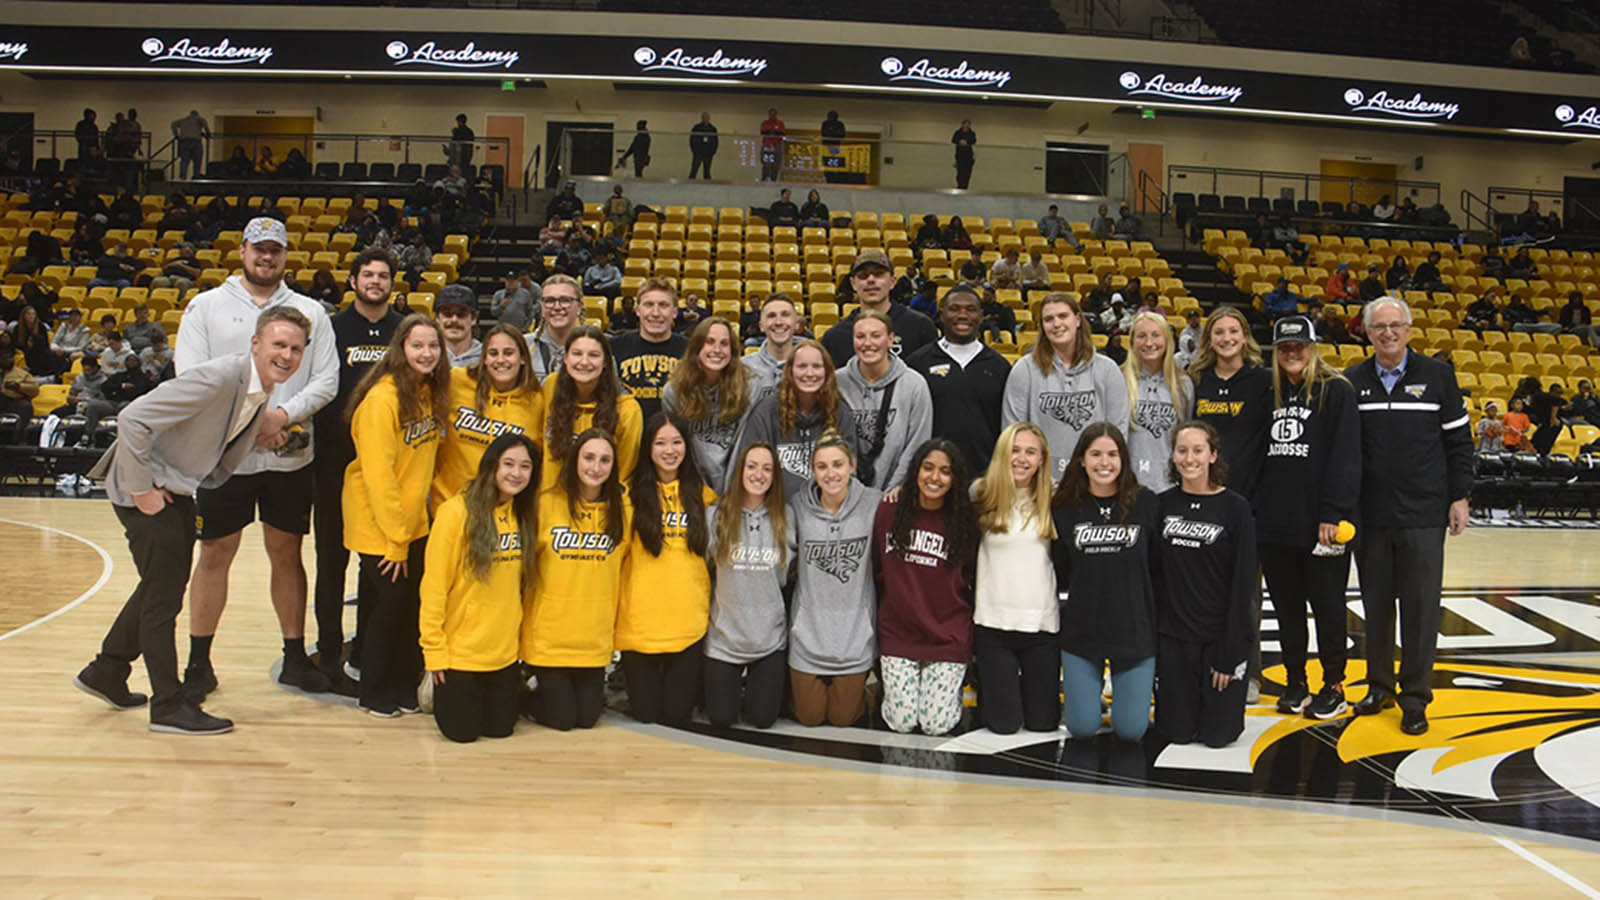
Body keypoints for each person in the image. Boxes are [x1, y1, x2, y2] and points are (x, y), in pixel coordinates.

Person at [72, 307, 311, 736]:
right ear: (256, 344)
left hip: (177, 489)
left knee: (156, 587)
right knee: (163, 600)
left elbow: (214, 436)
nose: (287, 354)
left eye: (295, 348)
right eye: (279, 344)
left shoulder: (257, 391)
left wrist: (263, 435)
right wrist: (143, 490)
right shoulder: (220, 377)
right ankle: (168, 704)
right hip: (145, 489)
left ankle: (106, 670)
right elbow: (133, 419)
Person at [172, 216, 338, 700]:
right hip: (225, 458)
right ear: (242, 250)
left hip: (288, 457)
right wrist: (249, 421)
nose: (266, 257)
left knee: (287, 553)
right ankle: (199, 663)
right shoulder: (206, 307)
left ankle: (293, 657)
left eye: (275, 250)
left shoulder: (310, 311)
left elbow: (325, 379)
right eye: (258, 249)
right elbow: (193, 376)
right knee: (214, 554)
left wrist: (282, 415)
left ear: (287, 256)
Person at [1345, 297, 1473, 736]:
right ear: (1366, 332)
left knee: (1419, 609)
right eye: (1378, 327)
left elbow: (1459, 444)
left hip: (1423, 512)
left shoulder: (1438, 377)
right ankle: (1379, 685)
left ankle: (1415, 697)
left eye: (1395, 325)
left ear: (1409, 328)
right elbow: (1344, 455)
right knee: (1375, 607)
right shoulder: (1351, 381)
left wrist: (1460, 496)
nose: (1387, 333)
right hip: (1371, 515)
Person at [342, 314, 449, 716]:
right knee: (389, 607)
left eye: (433, 346)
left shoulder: (426, 393)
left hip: (411, 521)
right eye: (417, 345)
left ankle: (402, 685)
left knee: (404, 606)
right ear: (400, 349)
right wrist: (396, 541)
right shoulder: (381, 401)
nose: (426, 353)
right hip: (379, 524)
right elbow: (378, 478)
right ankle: (373, 692)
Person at [1255, 315, 1360, 719]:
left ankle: (1333, 684)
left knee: (1329, 607)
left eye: (1299, 347)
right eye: (1284, 348)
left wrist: (1333, 512)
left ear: (1313, 348)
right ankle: (1296, 680)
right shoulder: (1270, 392)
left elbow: (1346, 458)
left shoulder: (1336, 391)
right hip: (1276, 522)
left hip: (1323, 525)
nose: (1292, 353)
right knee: (1286, 609)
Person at [311, 247, 403, 687]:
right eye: (368, 274)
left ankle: (366, 647)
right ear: (352, 281)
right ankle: (328, 649)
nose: (375, 282)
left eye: (383, 275)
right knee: (330, 562)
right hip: (333, 463)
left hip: (384, 470)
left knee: (376, 565)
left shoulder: (404, 331)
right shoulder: (330, 329)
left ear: (393, 284)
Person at [420, 433, 536, 743]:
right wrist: (435, 653)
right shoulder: (455, 512)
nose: (516, 473)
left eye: (525, 467)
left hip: (503, 656)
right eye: (508, 464)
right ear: (492, 466)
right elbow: (433, 587)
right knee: (462, 734)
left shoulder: (522, 515)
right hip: (460, 656)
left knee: (500, 730)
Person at [1051, 423, 1158, 742]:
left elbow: (1157, 568)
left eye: (1112, 454)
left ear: (1123, 459)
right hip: (1083, 631)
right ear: (1081, 460)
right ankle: (1089, 695)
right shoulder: (1064, 508)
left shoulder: (1146, 503)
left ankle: (1123, 701)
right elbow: (1060, 569)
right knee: (1082, 728)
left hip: (1134, 631)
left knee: (1131, 731)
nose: (1104, 462)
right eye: (1095, 454)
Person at [1154, 421, 1258, 747]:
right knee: (1177, 734)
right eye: (1182, 451)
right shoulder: (1161, 505)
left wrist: (1231, 654)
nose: (1189, 458)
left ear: (1213, 455)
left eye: (1198, 450)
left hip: (1218, 639)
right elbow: (1153, 577)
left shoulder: (1236, 508)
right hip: (1174, 641)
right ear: (1173, 457)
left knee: (1218, 737)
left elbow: (1244, 587)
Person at [521, 427, 632, 730]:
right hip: (549, 637)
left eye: (605, 460)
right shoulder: (545, 504)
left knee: (587, 718)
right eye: (589, 458)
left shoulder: (624, 511)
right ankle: (521, 691)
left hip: (592, 639)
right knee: (563, 720)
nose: (596, 467)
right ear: (574, 460)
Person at [873, 439, 977, 735]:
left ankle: (947, 693)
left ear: (955, 478)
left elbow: (971, 578)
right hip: (898, 633)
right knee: (903, 723)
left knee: (935, 726)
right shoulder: (888, 512)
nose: (934, 477)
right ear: (915, 471)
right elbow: (876, 569)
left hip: (947, 636)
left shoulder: (966, 522)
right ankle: (892, 695)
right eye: (928, 468)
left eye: (945, 471)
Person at [616, 413, 715, 725]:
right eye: (660, 443)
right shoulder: (627, 497)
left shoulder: (703, 495)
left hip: (688, 625)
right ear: (648, 447)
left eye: (676, 442)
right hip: (640, 626)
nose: (669, 450)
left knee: (676, 716)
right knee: (646, 715)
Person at [786, 429, 881, 726]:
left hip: (854, 637)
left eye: (838, 464)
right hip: (808, 636)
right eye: (822, 466)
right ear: (812, 471)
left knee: (842, 720)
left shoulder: (875, 504)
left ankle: (868, 691)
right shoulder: (798, 507)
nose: (831, 474)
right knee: (810, 718)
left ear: (852, 466)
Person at [971, 422, 1058, 733]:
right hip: (994, 626)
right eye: (1015, 451)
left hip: (1041, 627)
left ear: (1042, 459)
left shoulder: (1055, 500)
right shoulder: (980, 495)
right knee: (1003, 726)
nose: (1021, 459)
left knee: (1043, 725)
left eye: (1030, 452)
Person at [703, 442, 789, 728]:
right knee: (721, 718)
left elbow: (791, 574)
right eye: (752, 466)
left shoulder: (787, 518)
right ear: (740, 471)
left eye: (767, 469)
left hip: (768, 640)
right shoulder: (716, 515)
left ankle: (756, 690)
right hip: (724, 639)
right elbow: (706, 570)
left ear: (775, 476)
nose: (759, 474)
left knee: (762, 719)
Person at [1002, 292, 1129, 483]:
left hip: (1093, 484)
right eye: (1048, 319)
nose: (1056, 324)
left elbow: (1118, 434)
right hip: (1039, 484)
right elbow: (1013, 432)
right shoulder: (1024, 369)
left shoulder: (1108, 370)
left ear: (1077, 319)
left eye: (1063, 316)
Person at [432, 322, 545, 510]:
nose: (500, 360)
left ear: (523, 358)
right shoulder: (457, 382)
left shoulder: (537, 401)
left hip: (503, 513)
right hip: (448, 505)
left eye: (508, 353)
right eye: (493, 353)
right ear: (483, 358)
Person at [734, 339, 858, 498]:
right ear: (790, 371)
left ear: (827, 371)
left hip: (825, 511)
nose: (809, 373)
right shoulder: (766, 412)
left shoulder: (840, 412)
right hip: (778, 513)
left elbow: (850, 473)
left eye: (817, 366)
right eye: (802, 366)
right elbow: (749, 470)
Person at [906, 285, 1010, 475]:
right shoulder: (917, 363)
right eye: (954, 309)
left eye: (970, 309)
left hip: (984, 477)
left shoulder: (1000, 366)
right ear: (942, 313)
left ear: (981, 315)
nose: (963, 315)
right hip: (931, 476)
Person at [838, 311, 933, 492]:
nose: (867, 343)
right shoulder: (836, 383)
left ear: (890, 340)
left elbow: (917, 445)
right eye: (860, 336)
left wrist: (894, 490)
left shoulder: (915, 385)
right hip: (845, 494)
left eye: (876, 336)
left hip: (896, 495)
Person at [541, 325, 643, 490]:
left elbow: (622, 478)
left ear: (605, 363)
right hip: (548, 504)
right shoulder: (551, 386)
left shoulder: (627, 411)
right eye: (577, 354)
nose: (584, 362)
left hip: (597, 508)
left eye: (594, 355)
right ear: (566, 358)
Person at [1188, 306, 1271, 504]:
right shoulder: (1196, 381)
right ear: (1209, 340)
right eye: (1219, 332)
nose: (1227, 338)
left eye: (1233, 331)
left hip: (1250, 494)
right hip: (1203, 488)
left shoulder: (1264, 381)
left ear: (1245, 337)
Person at [663, 316, 749, 492]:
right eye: (709, 342)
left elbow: (744, 447)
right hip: (692, 488)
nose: (717, 350)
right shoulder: (674, 392)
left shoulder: (747, 390)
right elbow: (676, 447)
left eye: (724, 343)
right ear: (697, 347)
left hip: (736, 489)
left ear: (732, 351)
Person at [820, 249, 939, 367]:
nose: (871, 280)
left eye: (879, 274)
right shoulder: (834, 337)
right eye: (863, 276)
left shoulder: (921, 327)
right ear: (853, 284)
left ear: (893, 281)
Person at [1123, 311, 1193, 493]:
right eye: (1141, 336)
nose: (1149, 343)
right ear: (1131, 342)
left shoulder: (1184, 384)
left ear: (1168, 341)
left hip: (1171, 487)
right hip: (1128, 487)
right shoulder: (1118, 380)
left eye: (1156, 335)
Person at [611, 278, 688, 425]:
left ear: (674, 312)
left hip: (675, 440)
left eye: (663, 305)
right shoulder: (614, 347)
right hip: (627, 434)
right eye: (648, 305)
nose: (655, 313)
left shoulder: (691, 350)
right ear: (638, 310)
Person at [742, 293, 801, 404]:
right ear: (761, 326)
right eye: (771, 316)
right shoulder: (742, 369)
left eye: (785, 315)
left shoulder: (815, 368)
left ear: (796, 324)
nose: (778, 322)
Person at [526, 273, 582, 383]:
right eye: (549, 301)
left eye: (565, 300)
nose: (557, 307)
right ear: (542, 306)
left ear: (579, 306)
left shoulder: (597, 347)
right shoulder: (523, 346)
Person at [432, 284, 481, 368]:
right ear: (437, 318)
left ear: (473, 319)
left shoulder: (488, 358)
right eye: (447, 314)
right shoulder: (427, 357)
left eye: (461, 314)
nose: (454, 320)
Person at [169, 109, 209, 181]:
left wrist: (176, 135)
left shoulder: (183, 120)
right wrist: (207, 134)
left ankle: (183, 177)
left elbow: (173, 124)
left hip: (184, 142)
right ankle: (196, 177)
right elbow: (205, 124)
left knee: (184, 160)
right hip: (195, 142)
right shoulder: (199, 119)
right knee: (197, 161)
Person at [689, 112, 718, 180]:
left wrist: (713, 152)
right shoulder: (696, 127)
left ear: (709, 118)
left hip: (708, 153)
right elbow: (692, 140)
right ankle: (690, 185)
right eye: (704, 117)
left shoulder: (712, 128)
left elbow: (716, 141)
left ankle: (707, 187)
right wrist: (694, 151)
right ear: (702, 118)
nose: (706, 119)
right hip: (698, 152)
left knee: (707, 171)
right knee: (694, 170)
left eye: (707, 117)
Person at [759, 107, 785, 182]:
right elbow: (763, 132)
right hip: (767, 146)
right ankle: (764, 178)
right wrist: (772, 131)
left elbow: (782, 133)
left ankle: (774, 179)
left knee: (775, 165)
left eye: (774, 114)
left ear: (776, 115)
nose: (772, 116)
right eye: (771, 114)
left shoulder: (780, 123)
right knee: (766, 164)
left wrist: (773, 131)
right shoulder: (765, 123)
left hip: (776, 146)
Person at [951, 119, 976, 189]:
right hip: (960, 154)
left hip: (968, 155)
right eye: (965, 124)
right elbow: (953, 140)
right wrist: (960, 141)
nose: (967, 125)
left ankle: (965, 185)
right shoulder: (958, 132)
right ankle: (960, 184)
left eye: (968, 124)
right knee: (960, 171)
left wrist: (967, 142)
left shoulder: (972, 133)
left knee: (967, 172)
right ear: (962, 125)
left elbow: (973, 141)